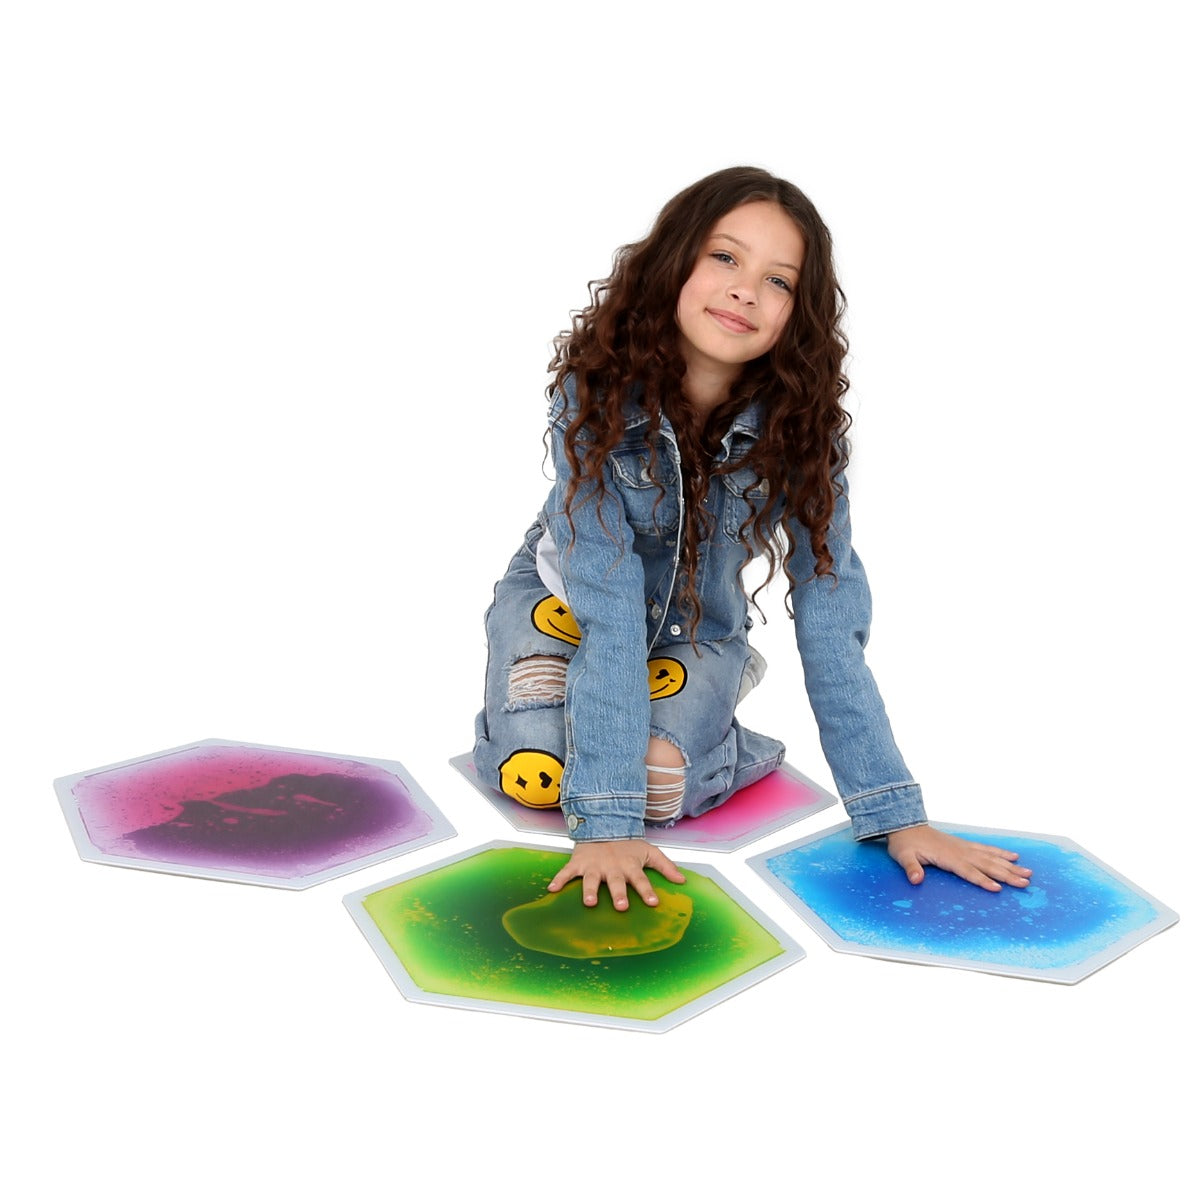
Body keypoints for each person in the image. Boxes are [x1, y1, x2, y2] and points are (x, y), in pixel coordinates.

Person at [473, 166, 1032, 912]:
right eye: (725, 257)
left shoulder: (804, 434)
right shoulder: (594, 393)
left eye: (778, 281)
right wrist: (603, 823)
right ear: (674, 263)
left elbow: (832, 616)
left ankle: (725, 734)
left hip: (693, 624)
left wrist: (893, 811)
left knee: (656, 785)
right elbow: (605, 606)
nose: (745, 291)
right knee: (537, 778)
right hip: (567, 601)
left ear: (797, 314)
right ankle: (631, 721)